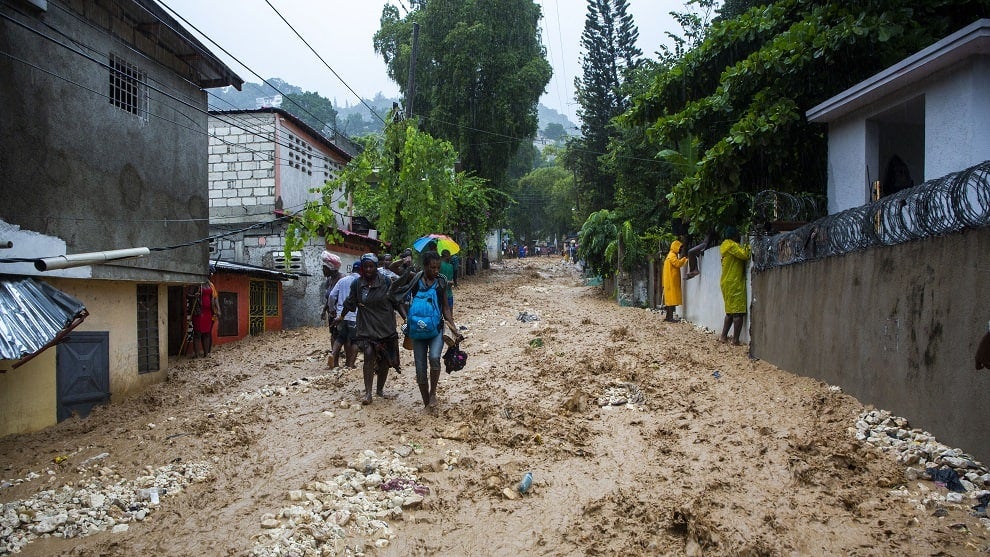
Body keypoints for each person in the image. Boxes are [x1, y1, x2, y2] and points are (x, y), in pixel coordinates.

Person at [336, 253, 404, 405]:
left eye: (371, 266)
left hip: (385, 326)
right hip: (367, 326)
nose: (368, 269)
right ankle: (368, 393)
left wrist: (406, 318)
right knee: (368, 354)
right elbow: (350, 302)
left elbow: (396, 302)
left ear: (376, 267)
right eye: (365, 266)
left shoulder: (386, 281)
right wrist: (341, 316)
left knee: (385, 360)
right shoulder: (357, 284)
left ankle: (379, 390)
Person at [407, 251, 463, 409]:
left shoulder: (440, 283)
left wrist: (454, 328)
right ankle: (426, 402)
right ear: (425, 266)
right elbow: (399, 297)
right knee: (420, 368)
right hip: (417, 330)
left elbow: (446, 308)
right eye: (432, 267)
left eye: (438, 267)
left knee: (434, 357)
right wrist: (407, 319)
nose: (436, 270)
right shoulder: (415, 281)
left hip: (436, 329)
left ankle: (432, 394)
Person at [719, 226, 752, 345]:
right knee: (738, 312)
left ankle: (723, 337)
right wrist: (748, 244)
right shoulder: (732, 246)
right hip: (734, 282)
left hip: (726, 281)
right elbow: (745, 255)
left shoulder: (724, 246)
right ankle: (735, 340)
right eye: (737, 234)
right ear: (733, 236)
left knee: (729, 311)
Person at [327, 260, 361, 368]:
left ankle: (332, 355)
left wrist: (332, 309)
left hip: (340, 315)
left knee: (340, 337)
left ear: (352, 269)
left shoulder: (342, 280)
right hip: (355, 316)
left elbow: (332, 296)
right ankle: (350, 364)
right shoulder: (361, 281)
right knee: (355, 341)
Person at [190, 278, 220, 357]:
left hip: (209, 312)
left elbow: (215, 297)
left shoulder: (210, 284)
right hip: (198, 312)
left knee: (207, 332)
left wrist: (218, 309)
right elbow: (188, 295)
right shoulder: (196, 283)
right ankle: (197, 354)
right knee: (197, 333)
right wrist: (194, 296)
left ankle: (206, 353)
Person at [662, 239, 688, 322]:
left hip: (669, 281)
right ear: (676, 247)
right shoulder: (672, 255)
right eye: (680, 248)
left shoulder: (669, 255)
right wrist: (685, 259)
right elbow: (677, 264)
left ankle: (668, 317)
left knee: (669, 300)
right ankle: (670, 318)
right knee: (672, 300)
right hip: (671, 282)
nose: (680, 250)